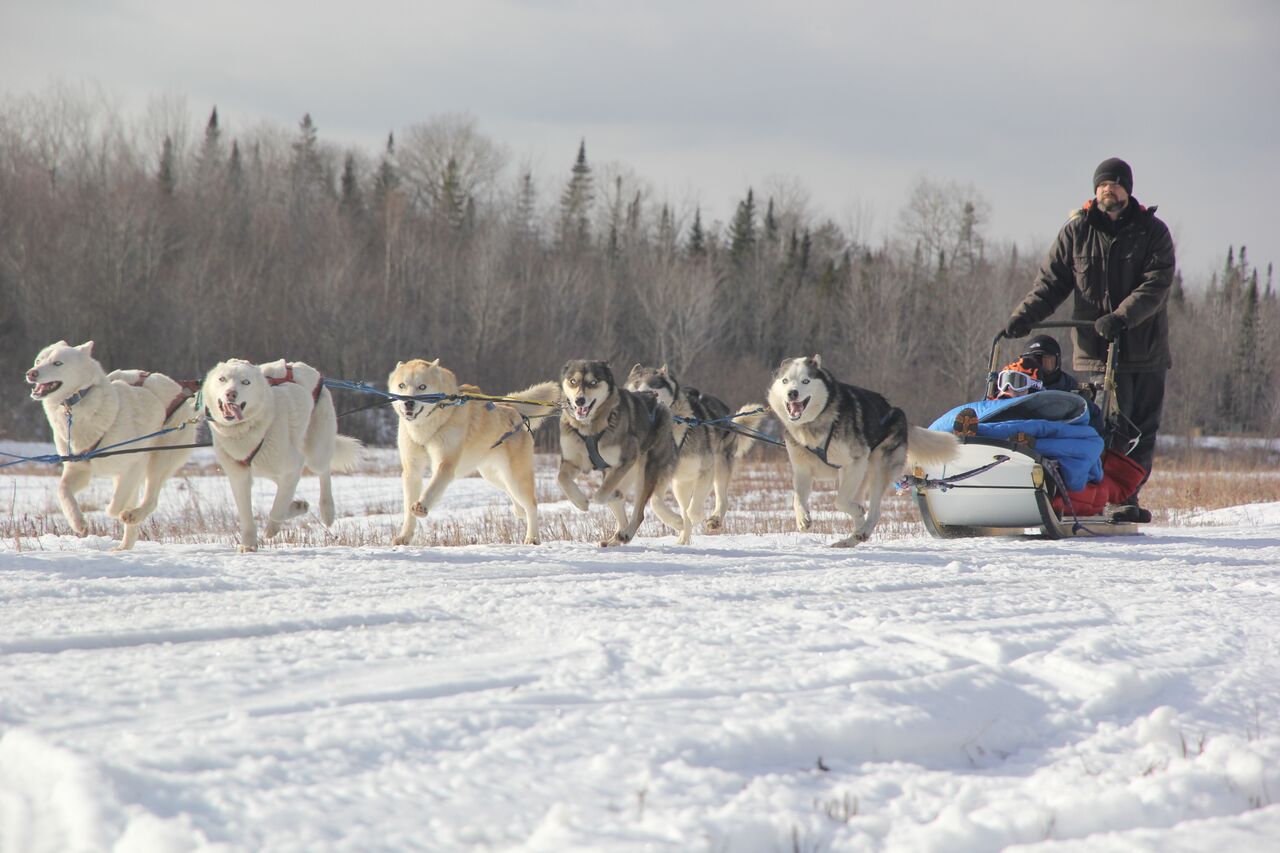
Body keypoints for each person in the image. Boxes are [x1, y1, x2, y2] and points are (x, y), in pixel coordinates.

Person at [1004, 157, 1174, 521]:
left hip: (1144, 349)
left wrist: (1121, 317)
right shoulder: (1077, 231)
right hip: (1096, 351)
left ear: (1127, 188)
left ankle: (1126, 496)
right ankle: (1091, 492)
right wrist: (1023, 318)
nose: (1106, 190)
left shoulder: (1152, 231)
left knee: (1137, 426)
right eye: (1101, 184)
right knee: (1100, 424)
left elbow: (1156, 285)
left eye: (1113, 183)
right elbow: (1051, 284)